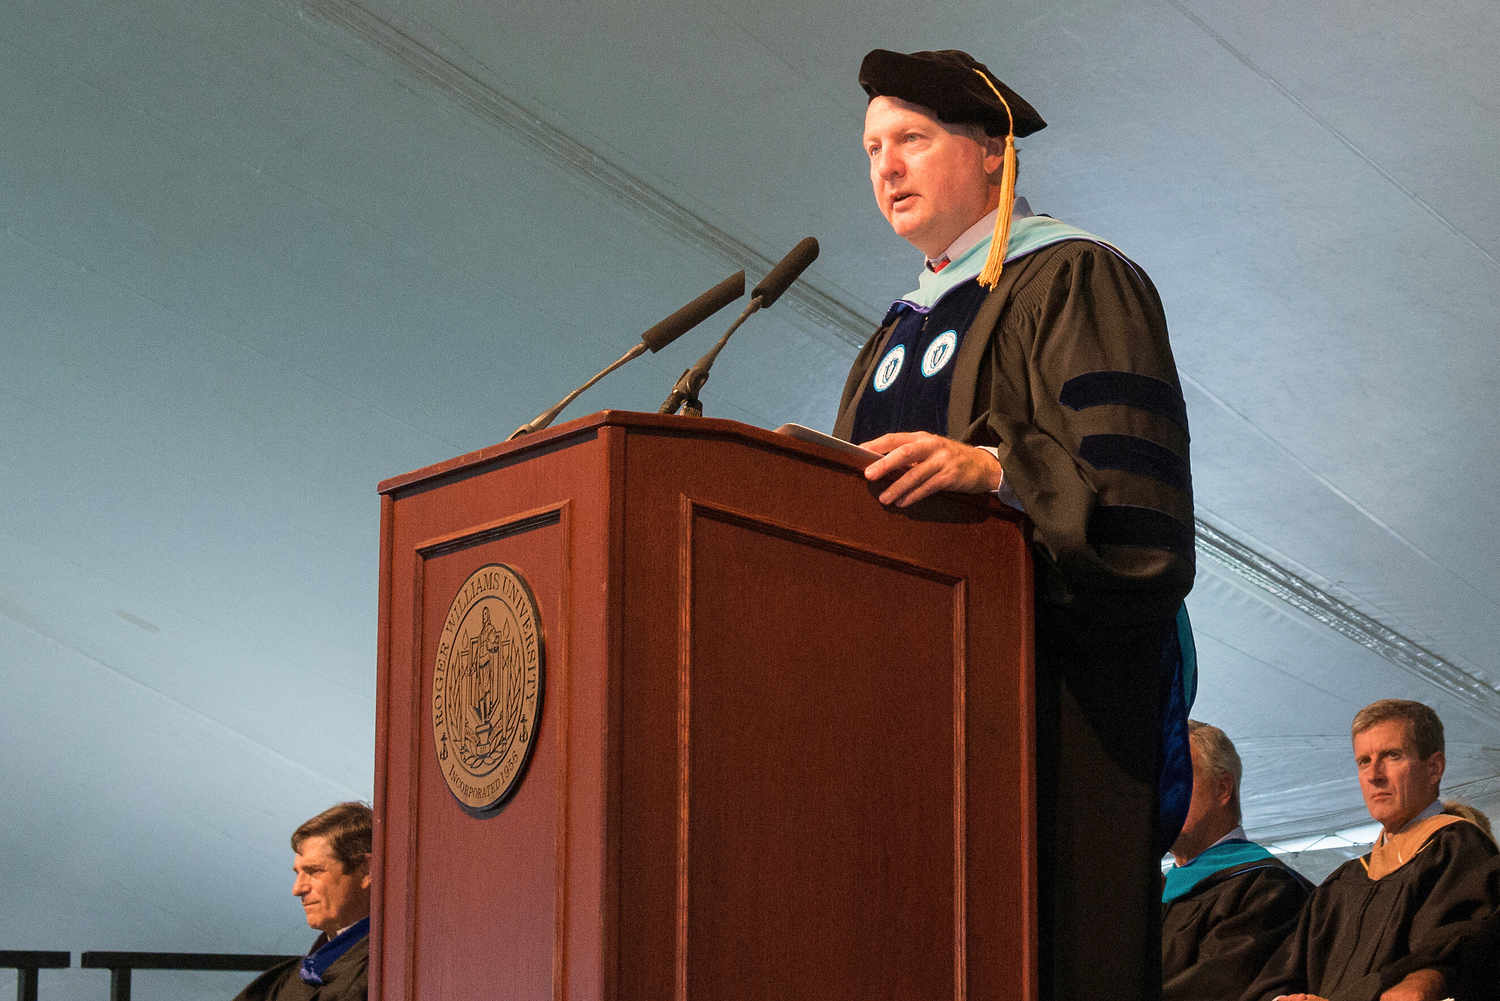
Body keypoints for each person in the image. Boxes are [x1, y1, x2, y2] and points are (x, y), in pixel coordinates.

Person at [835, 48, 1196, 1000]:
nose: (887, 166)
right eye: (872, 148)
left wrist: (997, 472)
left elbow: (1138, 513)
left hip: (1049, 715)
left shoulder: (1077, 279)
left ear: (993, 151)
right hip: (901, 721)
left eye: (911, 138)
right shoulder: (893, 335)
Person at [1245, 700, 1500, 1001]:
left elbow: (1454, 957)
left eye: (1392, 756)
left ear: (1434, 768)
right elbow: (1281, 975)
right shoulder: (1340, 884)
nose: (1373, 775)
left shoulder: (1458, 850)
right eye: (1364, 761)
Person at [1162, 722, 1312, 1001]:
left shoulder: (1268, 889)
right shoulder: (1157, 895)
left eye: (1178, 779)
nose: (1166, 797)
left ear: (1223, 788)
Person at [233, 802, 373, 1001]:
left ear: (366, 870)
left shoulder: (381, 974)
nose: (297, 889)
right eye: (298, 873)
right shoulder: (294, 977)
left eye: (314, 871)